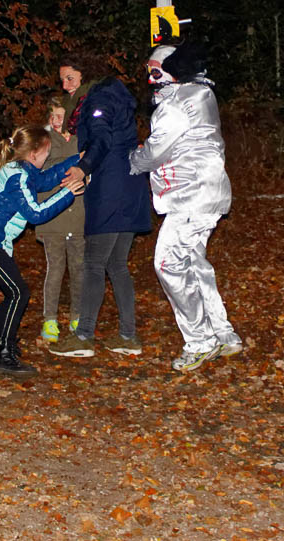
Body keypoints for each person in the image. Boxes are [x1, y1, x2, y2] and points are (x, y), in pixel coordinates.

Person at [128, 39, 243, 372]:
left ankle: (200, 341)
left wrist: (132, 160)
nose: (150, 79)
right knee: (194, 264)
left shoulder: (176, 104)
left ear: (171, 71)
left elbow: (155, 151)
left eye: (155, 72)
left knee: (168, 264)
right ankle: (223, 333)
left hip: (190, 196)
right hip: (207, 193)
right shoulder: (199, 96)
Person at [49, 57, 151, 358]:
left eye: (70, 78)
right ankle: (128, 337)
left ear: (86, 74)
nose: (65, 85)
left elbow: (102, 138)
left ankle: (83, 337)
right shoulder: (111, 95)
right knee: (116, 265)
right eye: (62, 80)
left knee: (93, 263)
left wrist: (83, 168)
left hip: (112, 188)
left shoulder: (99, 98)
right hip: (129, 186)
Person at [0, 125, 82, 377]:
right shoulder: (17, 177)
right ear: (34, 153)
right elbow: (36, 214)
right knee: (18, 293)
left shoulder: (22, 170)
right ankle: (4, 354)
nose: (48, 156)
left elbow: (46, 179)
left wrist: (78, 160)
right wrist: (67, 193)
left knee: (14, 293)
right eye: (47, 152)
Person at [34, 92, 85, 343]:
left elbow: (91, 168)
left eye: (61, 116)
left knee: (79, 269)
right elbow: (38, 172)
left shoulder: (81, 139)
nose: (56, 121)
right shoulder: (43, 141)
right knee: (55, 269)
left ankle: (77, 317)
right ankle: (50, 321)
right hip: (52, 216)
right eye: (53, 115)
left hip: (79, 216)